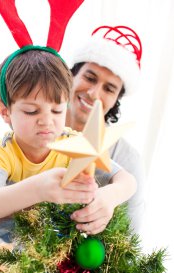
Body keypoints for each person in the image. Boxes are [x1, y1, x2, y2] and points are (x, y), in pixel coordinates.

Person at [0, 48, 137, 243]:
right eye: (32, 111)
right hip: (18, 255)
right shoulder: (4, 154)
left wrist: (110, 196)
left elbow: (128, 181)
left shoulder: (73, 143)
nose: (47, 121)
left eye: (57, 110)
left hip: (63, 250)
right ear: (5, 111)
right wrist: (38, 189)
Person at [65, 26, 145, 233]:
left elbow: (131, 239)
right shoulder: (37, 129)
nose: (93, 93)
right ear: (72, 76)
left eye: (109, 89)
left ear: (116, 100)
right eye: (90, 78)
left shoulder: (127, 159)